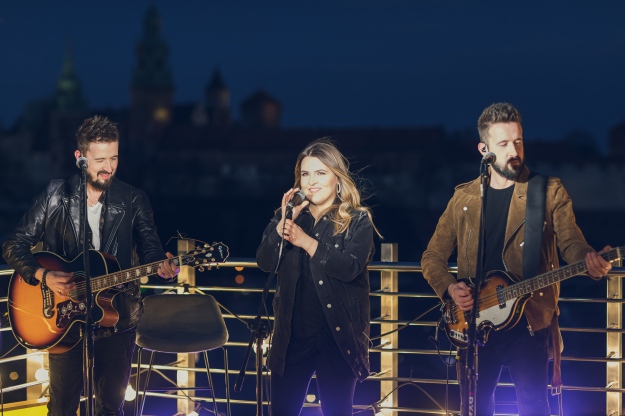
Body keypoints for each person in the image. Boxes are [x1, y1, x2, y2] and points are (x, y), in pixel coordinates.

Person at [421, 102, 613, 416]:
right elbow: (432, 257)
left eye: (518, 141)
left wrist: (589, 259)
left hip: (529, 324)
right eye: (503, 144)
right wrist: (450, 288)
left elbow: (572, 243)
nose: (514, 151)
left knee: (534, 408)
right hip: (473, 326)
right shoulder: (464, 198)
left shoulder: (548, 191)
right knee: (473, 409)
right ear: (484, 150)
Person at [2, 115, 179, 416]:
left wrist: (164, 266)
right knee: (61, 409)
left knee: (110, 409)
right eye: (99, 160)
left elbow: (151, 251)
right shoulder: (54, 196)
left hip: (118, 318)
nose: (108, 167)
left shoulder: (134, 199)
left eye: (114, 158)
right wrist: (45, 275)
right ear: (80, 158)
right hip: (63, 321)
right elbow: (12, 245)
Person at [256, 139, 381, 415]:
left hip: (338, 339)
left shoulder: (357, 220)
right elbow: (264, 262)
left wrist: (306, 242)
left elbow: (350, 267)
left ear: (337, 179)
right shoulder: (290, 218)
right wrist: (283, 221)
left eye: (320, 173)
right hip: (292, 338)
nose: (312, 181)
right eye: (305, 174)